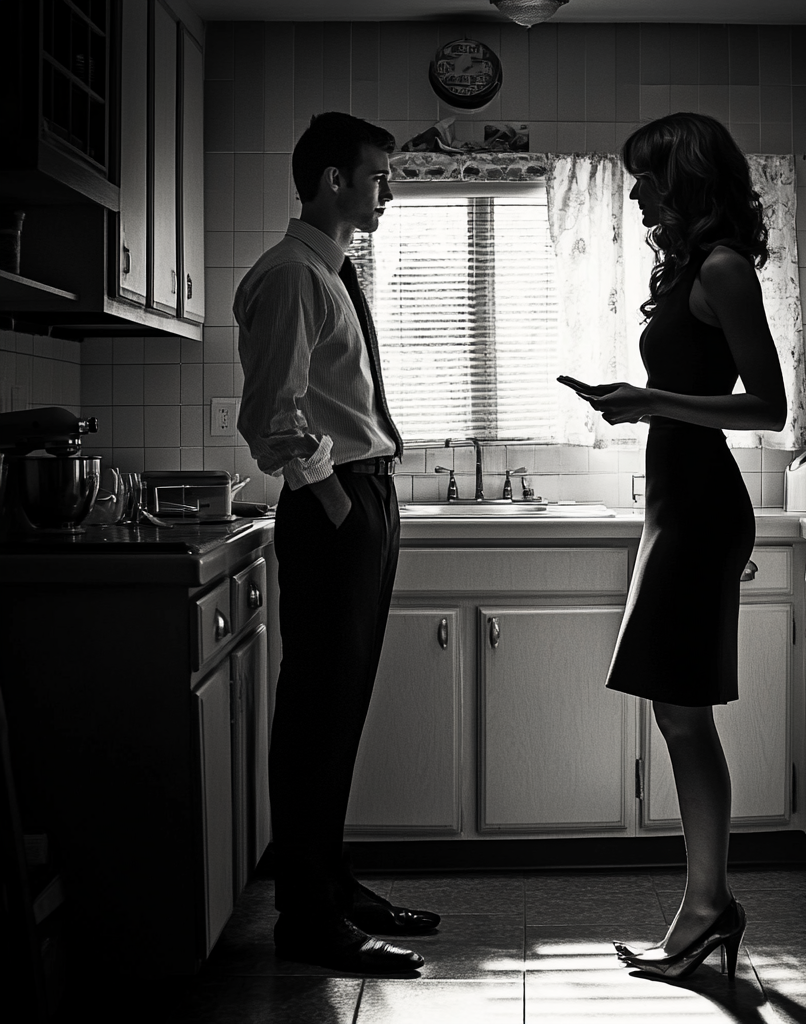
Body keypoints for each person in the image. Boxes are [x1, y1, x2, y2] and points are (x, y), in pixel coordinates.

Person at [578, 112, 787, 981]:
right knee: (677, 714)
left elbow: (769, 408)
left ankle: (708, 908)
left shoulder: (726, 268)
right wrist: (642, 401)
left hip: (701, 509)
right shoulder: (690, 270)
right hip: (679, 505)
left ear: (684, 175)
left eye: (645, 176)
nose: (633, 192)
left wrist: (651, 400)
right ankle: (708, 907)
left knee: (683, 715)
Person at [234, 112, 440, 974]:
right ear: (332, 182)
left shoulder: (331, 272)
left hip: (359, 500)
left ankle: (331, 881)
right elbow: (272, 420)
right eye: (379, 176)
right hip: (335, 508)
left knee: (339, 707)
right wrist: (339, 508)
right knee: (318, 710)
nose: (386, 192)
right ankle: (306, 917)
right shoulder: (293, 276)